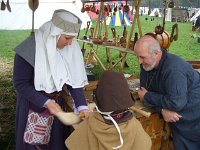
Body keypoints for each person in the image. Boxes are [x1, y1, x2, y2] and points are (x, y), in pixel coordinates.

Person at [13, 9, 90, 150]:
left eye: (72, 38)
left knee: (55, 144)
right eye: (67, 38)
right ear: (54, 33)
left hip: (56, 107)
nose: (70, 43)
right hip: (34, 107)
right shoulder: (29, 49)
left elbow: (74, 79)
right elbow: (20, 83)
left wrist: (81, 105)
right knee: (35, 145)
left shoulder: (69, 47)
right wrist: (46, 102)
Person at [134, 35, 200, 150]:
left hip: (193, 116)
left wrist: (148, 97)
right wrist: (162, 110)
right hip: (176, 115)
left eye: (142, 57)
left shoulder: (173, 69)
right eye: (137, 57)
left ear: (156, 53)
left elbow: (176, 103)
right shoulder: (147, 65)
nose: (139, 61)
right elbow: (144, 93)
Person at [65, 70, 152, 150]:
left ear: (98, 98)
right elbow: (145, 144)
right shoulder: (135, 126)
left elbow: (73, 144)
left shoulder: (89, 125)